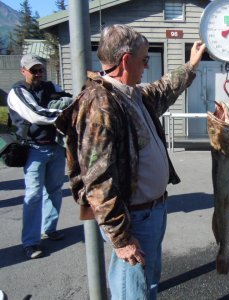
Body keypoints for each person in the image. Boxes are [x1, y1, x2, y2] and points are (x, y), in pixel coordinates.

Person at [56, 24, 206, 299]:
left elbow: (163, 89)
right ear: (126, 60)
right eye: (145, 59)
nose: (147, 66)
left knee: (145, 285)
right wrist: (122, 238)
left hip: (151, 211)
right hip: (132, 219)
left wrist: (191, 64)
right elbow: (97, 180)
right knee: (131, 291)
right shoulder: (101, 105)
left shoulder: (131, 94)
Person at [7, 54, 73, 259]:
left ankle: (49, 228)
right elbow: (35, 114)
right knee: (33, 196)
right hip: (33, 149)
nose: (38, 74)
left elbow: (70, 100)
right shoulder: (17, 92)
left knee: (54, 191)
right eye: (33, 70)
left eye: (40, 70)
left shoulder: (51, 86)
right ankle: (31, 242)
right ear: (23, 71)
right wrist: (59, 112)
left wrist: (64, 105)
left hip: (55, 147)